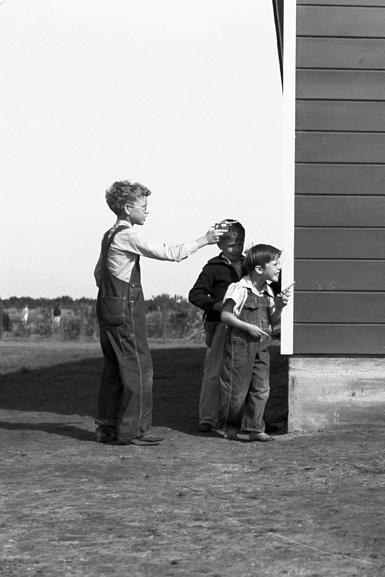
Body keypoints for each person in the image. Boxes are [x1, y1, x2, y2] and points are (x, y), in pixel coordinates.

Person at [94, 180, 225, 445]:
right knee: (139, 369)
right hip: (125, 310)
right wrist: (205, 240)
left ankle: (107, 426)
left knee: (114, 369)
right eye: (143, 206)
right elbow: (169, 253)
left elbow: (99, 274)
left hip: (106, 307)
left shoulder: (109, 235)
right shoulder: (129, 235)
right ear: (128, 208)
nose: (147, 211)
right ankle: (134, 430)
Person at [216, 244, 289, 442]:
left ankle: (254, 427)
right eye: (275, 264)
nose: (279, 268)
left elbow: (272, 322)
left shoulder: (268, 292)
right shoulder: (239, 289)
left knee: (262, 389)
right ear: (259, 269)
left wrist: (280, 307)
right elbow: (225, 315)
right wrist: (247, 327)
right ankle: (227, 426)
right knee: (236, 390)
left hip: (262, 347)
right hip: (240, 345)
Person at [188, 220, 246, 433]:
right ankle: (208, 418)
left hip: (244, 324)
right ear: (220, 245)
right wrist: (216, 305)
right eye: (232, 245)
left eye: (240, 244)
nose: (237, 249)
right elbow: (195, 294)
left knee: (241, 371)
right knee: (214, 370)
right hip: (218, 324)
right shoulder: (212, 268)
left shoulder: (249, 265)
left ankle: (238, 417)